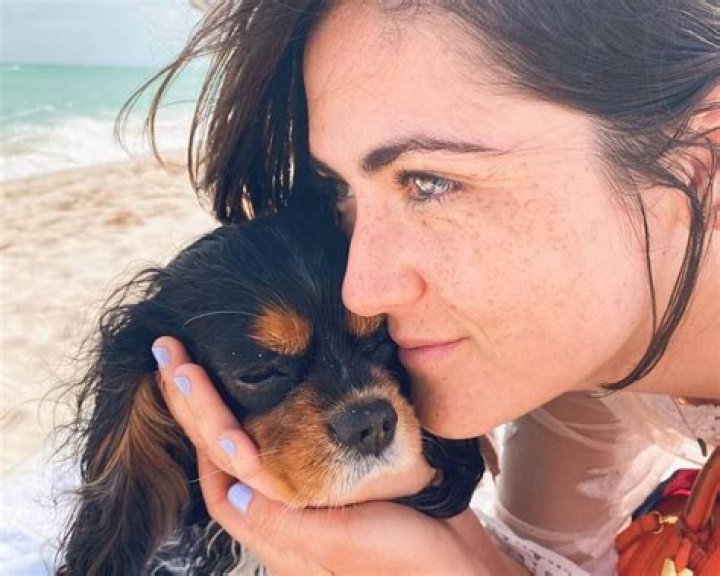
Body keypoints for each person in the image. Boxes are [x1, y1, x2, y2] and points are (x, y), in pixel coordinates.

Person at [141, 1, 718, 574]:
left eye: (429, 182)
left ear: (700, 163)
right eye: (340, 190)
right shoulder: (581, 362)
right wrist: (451, 551)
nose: (360, 289)